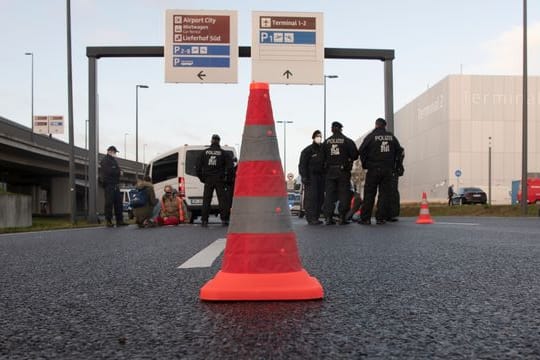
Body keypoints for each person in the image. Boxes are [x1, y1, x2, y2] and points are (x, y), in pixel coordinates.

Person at [359, 118, 403, 225]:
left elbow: (361, 150)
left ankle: (366, 218)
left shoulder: (371, 136)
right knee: (384, 194)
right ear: (385, 126)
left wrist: (366, 164)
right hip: (388, 170)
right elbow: (400, 151)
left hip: (373, 169)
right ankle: (380, 218)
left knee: (369, 194)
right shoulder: (391, 137)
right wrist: (397, 166)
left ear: (376, 125)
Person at [321, 121, 359, 225]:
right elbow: (355, 155)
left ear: (332, 129)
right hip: (343, 171)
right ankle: (342, 217)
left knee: (329, 195)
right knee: (343, 194)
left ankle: (328, 218)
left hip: (330, 172)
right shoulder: (347, 141)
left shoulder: (326, 142)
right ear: (341, 129)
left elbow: (321, 158)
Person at [196, 134, 233, 227]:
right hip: (219, 179)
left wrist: (202, 178)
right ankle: (224, 219)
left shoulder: (204, 153)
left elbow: (198, 167)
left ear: (211, 141)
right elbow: (230, 168)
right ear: (219, 141)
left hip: (208, 179)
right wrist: (228, 180)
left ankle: (204, 220)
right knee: (222, 200)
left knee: (206, 200)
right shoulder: (223, 153)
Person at [298, 130, 325, 225]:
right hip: (311, 177)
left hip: (321, 176)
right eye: (317, 136)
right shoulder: (307, 151)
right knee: (312, 198)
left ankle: (316, 217)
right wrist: (304, 176)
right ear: (313, 138)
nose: (319, 138)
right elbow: (302, 165)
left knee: (320, 197)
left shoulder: (323, 149)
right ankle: (311, 218)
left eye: (320, 136)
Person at [100, 145, 128, 227]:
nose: (115, 154)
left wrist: (119, 171)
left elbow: (116, 169)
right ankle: (108, 221)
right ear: (110, 151)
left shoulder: (113, 160)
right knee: (109, 203)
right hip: (109, 185)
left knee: (118, 203)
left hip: (115, 185)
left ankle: (120, 220)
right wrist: (119, 172)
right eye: (114, 152)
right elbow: (109, 171)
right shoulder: (105, 160)